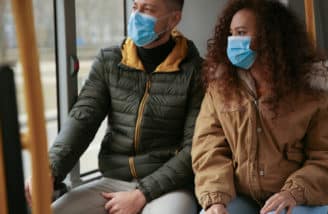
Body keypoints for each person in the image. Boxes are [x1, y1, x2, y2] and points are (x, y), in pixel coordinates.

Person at [25, 0, 204, 213]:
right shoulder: (109, 61)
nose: (137, 15)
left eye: (147, 9)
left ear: (174, 19)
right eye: (135, 6)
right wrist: (50, 169)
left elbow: (193, 149)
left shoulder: (196, 72)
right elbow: (83, 117)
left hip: (168, 187)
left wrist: (141, 194)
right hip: (114, 179)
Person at [191, 0, 328, 214]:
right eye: (230, 34)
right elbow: (208, 148)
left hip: (300, 197)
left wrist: (293, 192)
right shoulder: (221, 89)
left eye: (241, 33)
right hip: (242, 195)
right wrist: (216, 199)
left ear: (270, 38)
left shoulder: (313, 92)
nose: (232, 42)